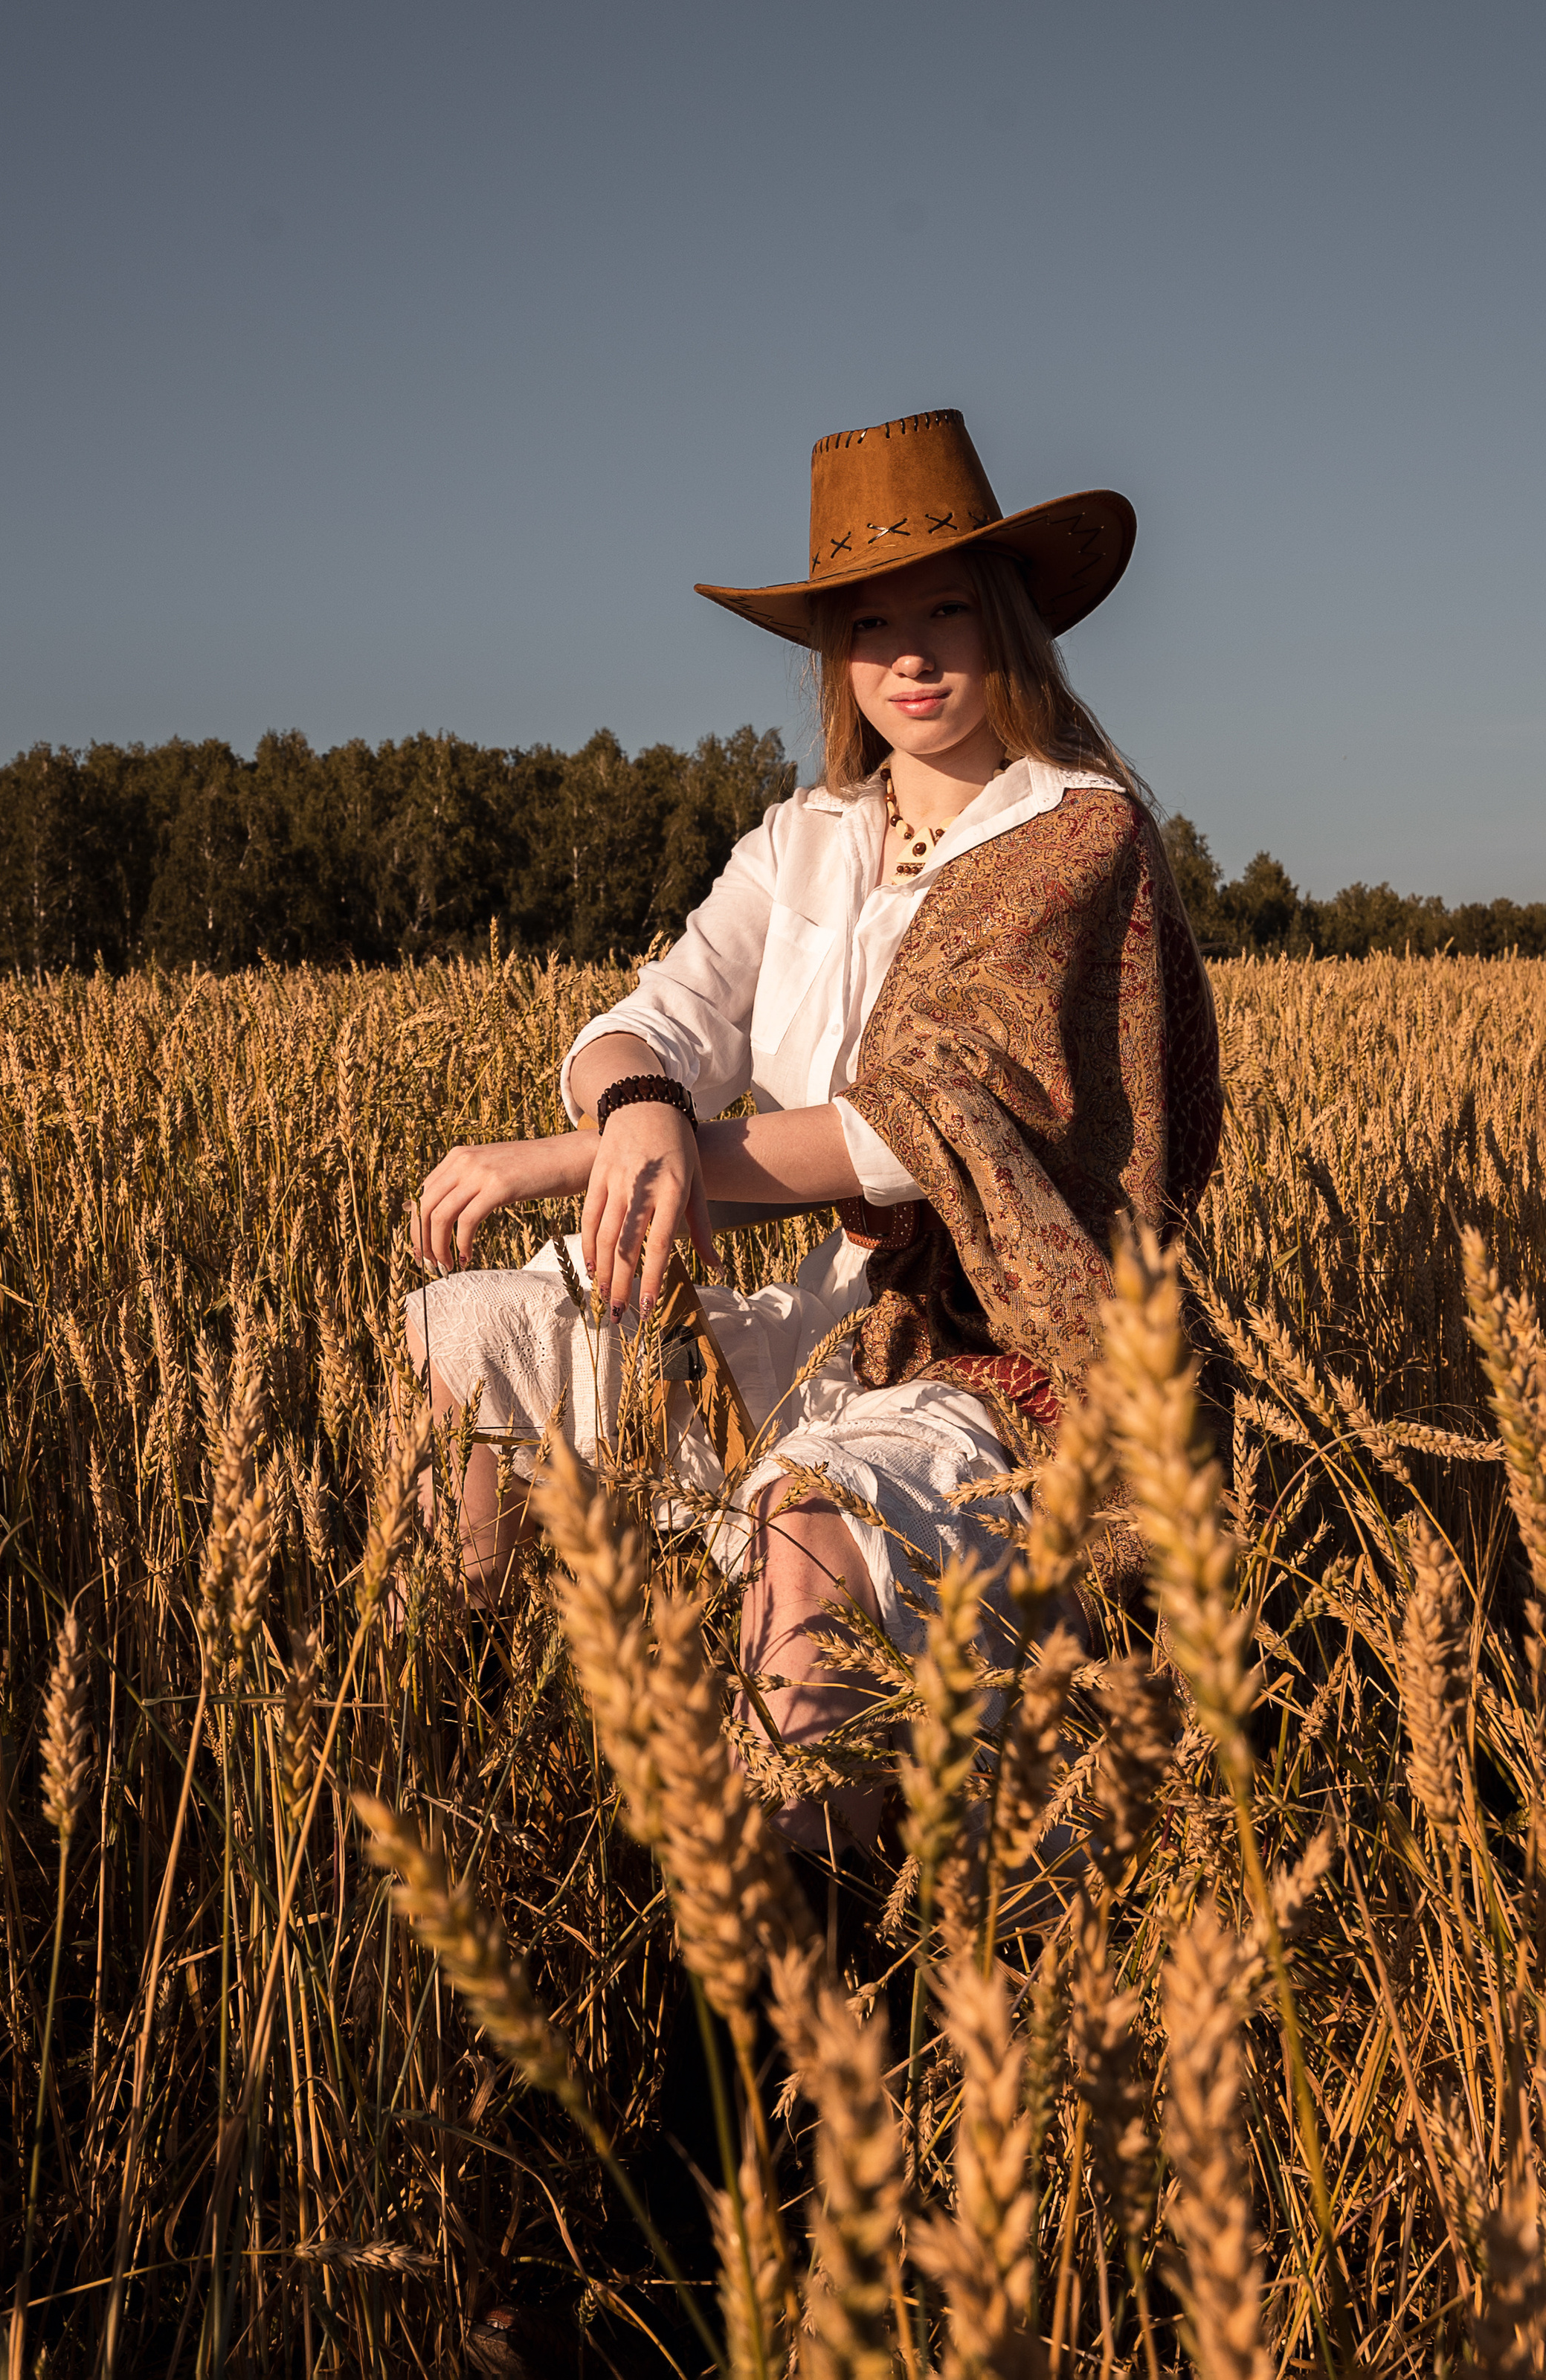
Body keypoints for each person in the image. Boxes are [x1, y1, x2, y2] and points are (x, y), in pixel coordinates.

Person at [408, 405, 1223, 1859]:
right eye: (868, 621)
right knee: (462, 1340)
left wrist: (599, 1156)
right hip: (842, 1311)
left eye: (943, 610)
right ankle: (453, 1755)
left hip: (1019, 1341)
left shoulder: (1077, 837)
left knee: (805, 1519)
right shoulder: (805, 842)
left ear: (1010, 623)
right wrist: (644, 1106)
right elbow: (635, 1028)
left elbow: (916, 1131)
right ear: (834, 654)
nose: (908, 654)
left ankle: (809, 1961)